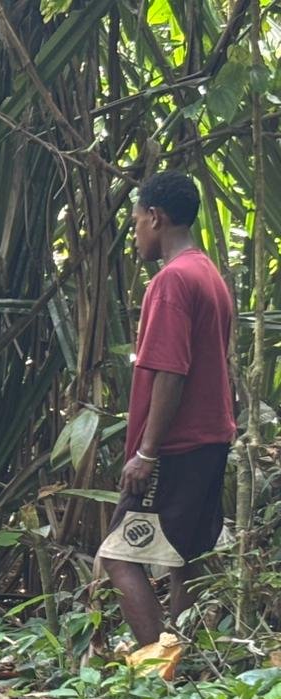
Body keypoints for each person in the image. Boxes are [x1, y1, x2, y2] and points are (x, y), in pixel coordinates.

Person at [96, 171, 236, 648]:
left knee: (119, 557)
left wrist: (147, 453)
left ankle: (158, 667)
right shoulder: (208, 274)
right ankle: (184, 663)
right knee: (184, 558)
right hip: (210, 440)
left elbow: (171, 371)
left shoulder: (172, 280)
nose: (135, 233)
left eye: (136, 221)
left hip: (176, 446)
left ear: (155, 217)